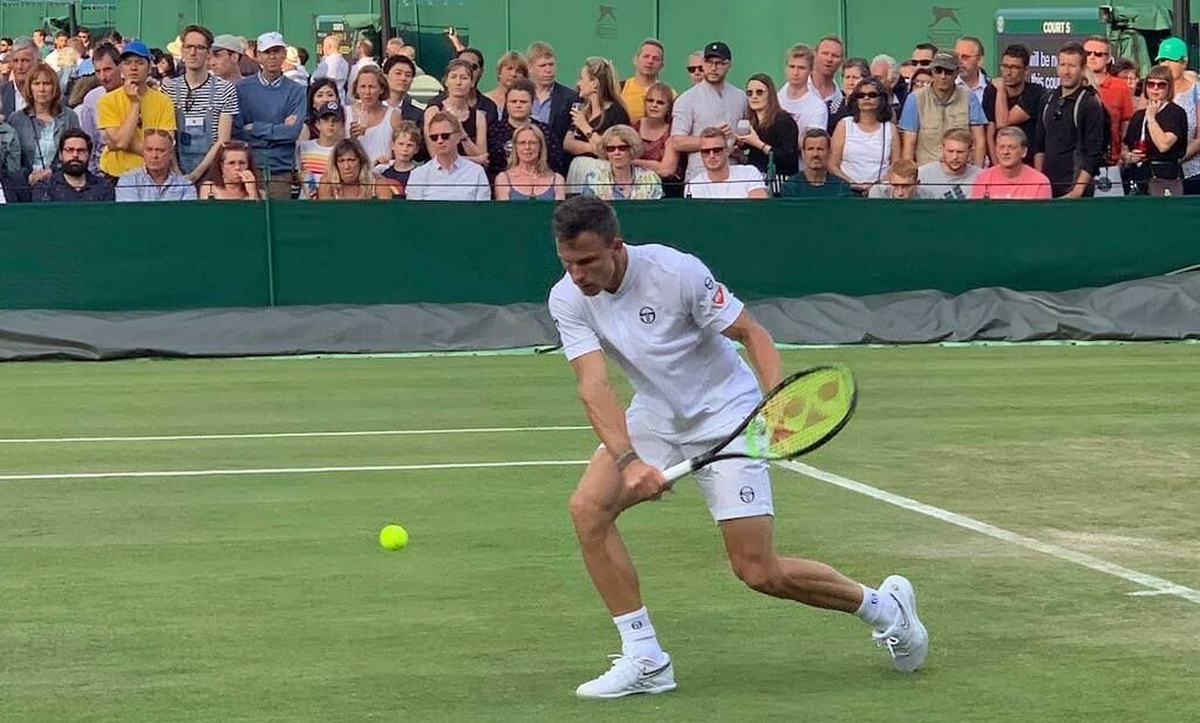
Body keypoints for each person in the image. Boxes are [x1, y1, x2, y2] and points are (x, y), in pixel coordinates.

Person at [547, 195, 930, 700]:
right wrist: (629, 460)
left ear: (616, 247)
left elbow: (753, 333)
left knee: (758, 571)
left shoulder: (676, 271)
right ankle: (646, 658)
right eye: (567, 263)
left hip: (729, 414)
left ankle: (884, 609)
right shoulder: (568, 298)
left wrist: (775, 409)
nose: (577, 275)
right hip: (657, 416)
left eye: (587, 262)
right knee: (587, 511)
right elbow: (593, 386)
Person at [162, 25, 239, 182]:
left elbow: (223, 140)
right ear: (182, 51)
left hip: (213, 174)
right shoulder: (168, 89)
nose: (193, 52)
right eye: (189, 47)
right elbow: (165, 136)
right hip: (174, 173)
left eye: (200, 47)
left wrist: (196, 175)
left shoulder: (225, 89)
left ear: (209, 53)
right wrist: (177, 173)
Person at [235, 32, 306, 200]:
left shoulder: (296, 90)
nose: (272, 56)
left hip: (280, 172)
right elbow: (239, 131)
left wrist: (256, 127)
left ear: (284, 54)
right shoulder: (242, 88)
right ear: (258, 56)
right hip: (248, 169)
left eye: (276, 51)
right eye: (267, 52)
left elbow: (292, 133)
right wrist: (278, 130)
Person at [1033, 42, 1107, 198]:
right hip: (1047, 185)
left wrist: (1077, 191)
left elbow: (1094, 151)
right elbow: (1039, 144)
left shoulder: (1090, 103)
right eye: (1062, 65)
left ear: (1082, 69)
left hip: (1075, 188)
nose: (1066, 71)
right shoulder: (1047, 99)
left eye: (1072, 66)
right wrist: (1039, 182)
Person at [97, 40, 177, 181]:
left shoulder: (164, 101)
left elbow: (165, 147)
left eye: (139, 63)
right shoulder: (107, 101)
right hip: (115, 173)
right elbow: (121, 143)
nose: (133, 68)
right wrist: (135, 104)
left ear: (149, 66)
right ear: (121, 68)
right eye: (128, 63)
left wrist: (121, 143)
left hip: (152, 174)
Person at [671, 41, 747, 182]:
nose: (713, 68)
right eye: (709, 62)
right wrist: (710, 140)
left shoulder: (740, 97)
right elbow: (677, 142)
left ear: (728, 65)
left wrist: (736, 139)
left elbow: (745, 137)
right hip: (700, 174)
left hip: (734, 173)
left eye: (719, 63)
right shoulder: (687, 99)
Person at [900, 52, 987, 167]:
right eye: (938, 70)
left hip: (962, 170)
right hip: (927, 170)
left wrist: (977, 175)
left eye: (948, 71)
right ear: (932, 71)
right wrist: (910, 176)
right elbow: (909, 145)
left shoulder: (969, 97)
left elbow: (979, 140)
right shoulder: (915, 98)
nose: (943, 76)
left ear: (956, 73)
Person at [564, 56, 631, 191]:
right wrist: (593, 146)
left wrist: (585, 127)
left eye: (582, 78)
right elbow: (568, 144)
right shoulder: (582, 109)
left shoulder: (616, 112)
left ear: (594, 83)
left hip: (603, 174)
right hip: (577, 171)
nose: (578, 83)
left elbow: (610, 151)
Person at [10, 63, 80, 187]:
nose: (41, 89)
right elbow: (13, 161)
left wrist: (52, 172)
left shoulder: (70, 117)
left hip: (62, 185)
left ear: (54, 88)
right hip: (25, 187)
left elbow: (76, 154)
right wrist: (28, 176)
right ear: (30, 88)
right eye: (36, 84)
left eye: (46, 84)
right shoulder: (16, 119)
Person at [1122, 65, 1187, 196]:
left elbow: (1163, 145)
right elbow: (1125, 147)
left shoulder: (1175, 113)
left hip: (1165, 176)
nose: (1155, 88)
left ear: (1169, 88)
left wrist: (1151, 118)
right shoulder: (1138, 115)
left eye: (1161, 85)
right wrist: (1128, 157)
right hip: (1138, 176)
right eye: (1151, 84)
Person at [829, 76, 899, 196]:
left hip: (880, 192)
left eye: (872, 95)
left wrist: (876, 186)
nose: (866, 98)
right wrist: (852, 183)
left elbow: (896, 166)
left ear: (881, 99)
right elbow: (832, 164)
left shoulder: (890, 129)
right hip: (847, 191)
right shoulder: (844, 124)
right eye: (861, 95)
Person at [405, 110, 490, 200]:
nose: (440, 141)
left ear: (458, 137)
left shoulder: (476, 173)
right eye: (434, 137)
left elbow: (482, 212)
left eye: (445, 136)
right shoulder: (418, 175)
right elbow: (414, 212)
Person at [486, 78, 560, 179]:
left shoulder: (545, 131)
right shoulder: (493, 131)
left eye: (523, 102)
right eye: (513, 101)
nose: (518, 105)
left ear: (532, 104)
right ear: (506, 103)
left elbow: (555, 164)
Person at [983, 44, 1044, 165]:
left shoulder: (1035, 92)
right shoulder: (990, 91)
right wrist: (997, 167)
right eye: (1005, 66)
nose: (1008, 72)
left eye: (1014, 67)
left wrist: (1001, 89)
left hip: (1027, 162)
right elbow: (990, 133)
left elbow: (1003, 123)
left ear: (1026, 70)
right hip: (999, 160)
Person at [1154, 37, 1200, 194]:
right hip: (1158, 175)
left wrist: (1176, 160)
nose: (1165, 65)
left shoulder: (1196, 91)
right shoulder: (1153, 91)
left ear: (1184, 62)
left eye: (1170, 60)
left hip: (1193, 173)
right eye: (1162, 61)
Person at [526, 42, 579, 174]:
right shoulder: (519, 95)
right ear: (530, 68)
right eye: (542, 65)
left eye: (551, 64)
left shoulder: (570, 97)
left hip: (558, 166)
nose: (548, 70)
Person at [424, 58, 488, 166]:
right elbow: (436, 156)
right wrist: (475, 160)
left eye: (464, 78)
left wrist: (462, 134)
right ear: (446, 82)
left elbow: (483, 157)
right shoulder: (433, 112)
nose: (458, 82)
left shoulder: (479, 116)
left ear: (472, 83)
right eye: (453, 77)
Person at [738, 73, 799, 182]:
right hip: (756, 179)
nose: (754, 96)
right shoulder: (752, 122)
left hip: (780, 181)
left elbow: (788, 158)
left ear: (770, 94)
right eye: (749, 93)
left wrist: (758, 144)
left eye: (759, 92)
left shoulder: (783, 120)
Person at [581, 124, 662, 200]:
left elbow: (658, 212)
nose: (616, 153)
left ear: (632, 149)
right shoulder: (593, 179)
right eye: (611, 149)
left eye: (622, 148)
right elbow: (586, 212)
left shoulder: (650, 178)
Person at [32, 128, 114, 201]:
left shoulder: (104, 187)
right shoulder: (44, 188)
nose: (75, 155)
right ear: (60, 155)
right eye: (69, 150)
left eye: (81, 150)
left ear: (89, 154)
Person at [777, 44, 830, 160]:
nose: (795, 72)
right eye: (792, 67)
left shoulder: (817, 106)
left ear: (810, 71)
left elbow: (813, 145)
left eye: (801, 68)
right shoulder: (776, 99)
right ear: (786, 68)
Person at [684, 126, 767, 199]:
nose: (711, 155)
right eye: (706, 151)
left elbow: (759, 208)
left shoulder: (749, 173)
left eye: (717, 150)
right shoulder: (693, 186)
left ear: (727, 151)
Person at [970, 127, 1052, 199]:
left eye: (1011, 147)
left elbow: (1041, 215)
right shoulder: (983, 179)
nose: (1005, 152)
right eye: (1001, 147)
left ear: (1024, 151)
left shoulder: (1040, 182)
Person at [115, 129, 196, 201]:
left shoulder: (185, 186)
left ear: (171, 154)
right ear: (143, 152)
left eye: (161, 150)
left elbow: (187, 216)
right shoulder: (128, 181)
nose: (154, 156)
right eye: (149, 150)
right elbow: (129, 215)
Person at [76, 42, 120, 174]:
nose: (103, 77)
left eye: (107, 70)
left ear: (120, 66)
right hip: (103, 173)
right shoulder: (91, 99)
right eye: (98, 71)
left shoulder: (135, 94)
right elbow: (89, 142)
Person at [495, 123, 565, 201]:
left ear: (541, 146)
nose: (527, 147)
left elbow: (560, 212)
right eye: (522, 143)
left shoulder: (557, 180)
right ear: (515, 147)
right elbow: (504, 212)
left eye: (532, 143)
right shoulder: (503, 179)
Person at [347, 66, 401, 167]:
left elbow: (400, 150)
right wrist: (353, 138)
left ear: (381, 89)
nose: (367, 92)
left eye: (371, 87)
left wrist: (389, 160)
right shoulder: (346, 113)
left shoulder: (394, 115)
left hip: (383, 175)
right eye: (363, 87)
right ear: (356, 89)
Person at [630, 82, 679, 191]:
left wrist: (633, 162)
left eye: (660, 102)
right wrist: (656, 165)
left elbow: (666, 170)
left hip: (666, 188)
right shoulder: (632, 128)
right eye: (650, 101)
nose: (654, 105)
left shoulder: (673, 131)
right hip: (632, 186)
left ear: (668, 108)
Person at [780, 128, 852, 197]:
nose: (815, 154)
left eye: (820, 149)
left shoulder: (841, 187)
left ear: (829, 152)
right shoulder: (791, 187)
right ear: (803, 153)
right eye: (810, 149)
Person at [297, 100, 345, 199]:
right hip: (306, 202)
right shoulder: (303, 147)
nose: (330, 124)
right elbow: (296, 174)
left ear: (342, 125)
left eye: (335, 120)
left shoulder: (344, 151)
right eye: (325, 120)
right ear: (318, 124)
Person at [315, 138, 389, 200]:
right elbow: (323, 215)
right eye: (341, 161)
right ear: (335, 164)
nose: (346, 166)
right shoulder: (327, 184)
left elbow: (387, 214)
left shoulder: (377, 184)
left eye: (351, 160)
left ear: (361, 161)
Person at [917, 128, 980, 199]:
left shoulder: (981, 176)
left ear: (970, 152)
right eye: (950, 151)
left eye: (960, 152)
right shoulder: (922, 174)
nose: (955, 157)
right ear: (942, 149)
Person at [620, 39, 664, 121]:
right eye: (646, 56)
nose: (650, 61)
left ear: (662, 65)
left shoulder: (669, 94)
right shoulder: (619, 89)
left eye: (655, 58)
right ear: (635, 60)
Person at [377, 120, 422, 199]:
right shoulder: (383, 172)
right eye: (401, 144)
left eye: (410, 145)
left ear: (416, 149)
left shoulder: (420, 173)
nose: (405, 149)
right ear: (393, 145)